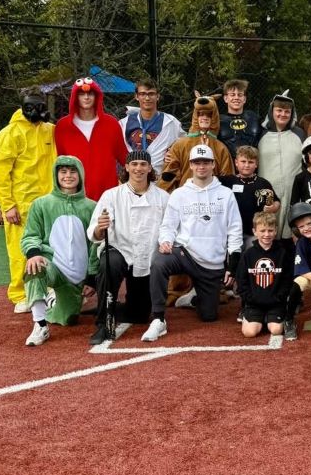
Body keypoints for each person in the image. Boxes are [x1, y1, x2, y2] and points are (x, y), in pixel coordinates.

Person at [141, 144, 243, 341]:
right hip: (184, 252)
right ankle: (159, 318)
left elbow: (234, 229)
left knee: (209, 316)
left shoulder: (226, 194)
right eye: (197, 162)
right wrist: (166, 241)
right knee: (159, 262)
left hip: (211, 261)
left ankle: (193, 297)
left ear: (213, 164)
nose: (201, 167)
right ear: (190, 165)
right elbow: (168, 225)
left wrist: (232, 263)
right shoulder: (179, 194)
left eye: (205, 162)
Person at [86, 150, 170, 344]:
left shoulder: (163, 197)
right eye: (134, 164)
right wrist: (100, 228)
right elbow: (95, 233)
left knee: (139, 315)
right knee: (109, 264)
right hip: (120, 250)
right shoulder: (111, 195)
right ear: (126, 167)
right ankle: (103, 323)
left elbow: (169, 228)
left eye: (143, 164)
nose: (138, 168)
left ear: (150, 168)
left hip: (147, 255)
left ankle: (112, 307)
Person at [0, 88, 57, 313]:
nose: (36, 110)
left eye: (40, 105)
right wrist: (8, 204)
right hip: (21, 205)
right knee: (20, 251)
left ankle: (48, 287)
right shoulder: (9, 133)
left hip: (48, 202)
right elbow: (0, 172)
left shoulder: (50, 130)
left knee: (49, 246)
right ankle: (21, 294)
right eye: (31, 105)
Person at [22, 156, 97, 345]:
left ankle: (54, 300)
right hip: (52, 267)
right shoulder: (41, 204)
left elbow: (95, 245)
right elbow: (30, 235)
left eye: (72, 171)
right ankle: (40, 325)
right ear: (56, 175)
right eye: (63, 172)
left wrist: (92, 277)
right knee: (35, 268)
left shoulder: (92, 207)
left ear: (81, 175)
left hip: (77, 276)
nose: (68, 176)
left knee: (68, 319)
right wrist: (33, 254)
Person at [55, 76, 127, 201]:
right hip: (74, 197)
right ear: (75, 97)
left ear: (97, 96)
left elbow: (124, 157)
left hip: (107, 196)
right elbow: (58, 162)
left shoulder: (111, 124)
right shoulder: (63, 126)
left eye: (90, 94)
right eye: (81, 94)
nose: (86, 97)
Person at [159, 93, 234, 192]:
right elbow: (169, 175)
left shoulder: (221, 148)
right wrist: (164, 197)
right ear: (195, 117)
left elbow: (228, 178)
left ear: (214, 118)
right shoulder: (180, 145)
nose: (205, 118)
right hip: (185, 195)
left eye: (209, 115)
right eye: (201, 114)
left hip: (212, 196)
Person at [257, 91, 306, 240]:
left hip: (292, 192)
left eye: (287, 111)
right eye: (279, 110)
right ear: (272, 111)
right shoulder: (260, 134)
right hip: (267, 194)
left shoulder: (300, 134)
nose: (283, 114)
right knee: (267, 232)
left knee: (290, 235)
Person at [237, 212, 294, 339]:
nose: (266, 234)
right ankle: (254, 317)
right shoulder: (248, 255)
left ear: (275, 231)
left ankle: (271, 318)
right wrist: (250, 298)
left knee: (276, 330)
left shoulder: (283, 254)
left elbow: (287, 280)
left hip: (276, 303)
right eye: (262, 231)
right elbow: (241, 281)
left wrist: (279, 297)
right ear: (255, 232)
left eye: (270, 230)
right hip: (254, 303)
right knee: (249, 333)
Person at [219, 145, 280, 252]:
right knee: (233, 260)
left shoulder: (263, 183)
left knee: (253, 258)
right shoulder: (226, 182)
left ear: (256, 164)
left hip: (254, 233)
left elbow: (276, 202)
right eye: (243, 161)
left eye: (251, 162)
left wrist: (273, 207)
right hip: (230, 233)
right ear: (236, 162)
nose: (246, 165)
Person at [119, 78, 185, 175]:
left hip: (159, 178)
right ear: (136, 96)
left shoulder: (171, 123)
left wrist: (174, 153)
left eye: (151, 94)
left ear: (158, 96)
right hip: (132, 178)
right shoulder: (124, 124)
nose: (147, 98)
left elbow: (185, 145)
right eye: (142, 94)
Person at [217, 79, 262, 157]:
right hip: (228, 163)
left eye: (240, 95)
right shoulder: (218, 120)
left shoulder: (254, 118)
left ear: (244, 99)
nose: (236, 98)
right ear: (226, 98)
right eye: (232, 95)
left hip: (251, 162)